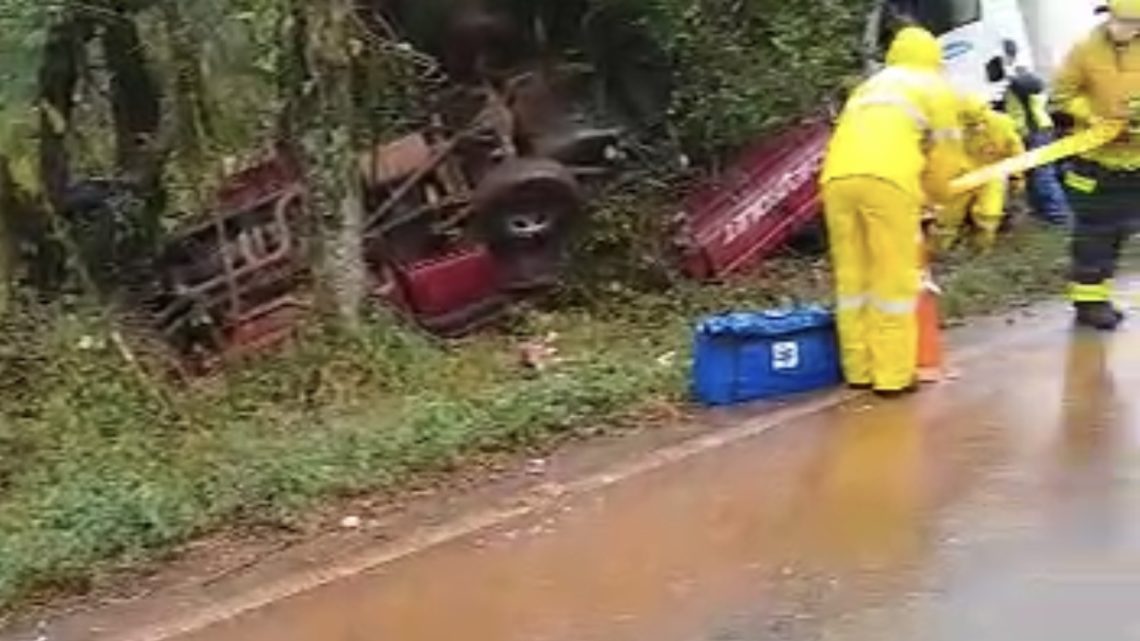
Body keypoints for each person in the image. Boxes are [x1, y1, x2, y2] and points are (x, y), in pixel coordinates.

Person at [822, 26, 967, 397]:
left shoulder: (869, 86)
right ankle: (892, 377)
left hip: (836, 180)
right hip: (888, 182)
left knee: (853, 278)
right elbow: (946, 158)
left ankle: (859, 369)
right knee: (892, 279)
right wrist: (935, 198)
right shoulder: (934, 88)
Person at [1052, 0, 1140, 330]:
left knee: (1122, 233)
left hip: (1136, 162)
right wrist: (1094, 119)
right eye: (1120, 20)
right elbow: (1061, 96)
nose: (1125, 28)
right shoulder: (1085, 50)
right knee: (1095, 233)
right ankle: (1090, 304)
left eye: (1134, 22)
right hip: (1096, 161)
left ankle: (1098, 295)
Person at [933, 95, 1026, 254]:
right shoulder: (948, 130)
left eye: (981, 122)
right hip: (962, 175)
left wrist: (1017, 176)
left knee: (989, 214)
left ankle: (981, 249)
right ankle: (941, 250)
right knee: (948, 216)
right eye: (971, 125)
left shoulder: (1002, 124)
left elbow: (1016, 151)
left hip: (992, 173)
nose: (978, 128)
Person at [1000, 40, 1072, 225]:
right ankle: (1042, 211)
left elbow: (1034, 85)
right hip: (1032, 131)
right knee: (1035, 174)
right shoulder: (1014, 73)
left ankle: (1058, 214)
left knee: (1043, 174)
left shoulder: (1020, 72)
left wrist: (1009, 77)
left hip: (1036, 130)